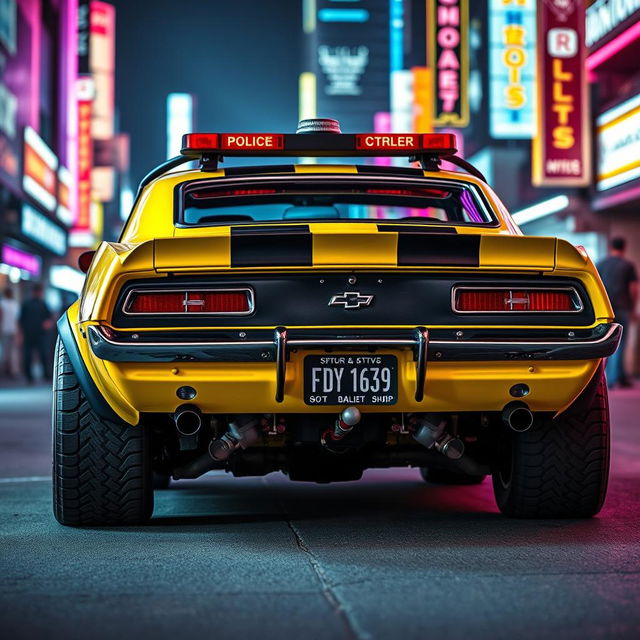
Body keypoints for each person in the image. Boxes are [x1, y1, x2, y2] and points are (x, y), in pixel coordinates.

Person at [597, 237, 638, 388]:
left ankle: (608, 377)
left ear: (610, 247)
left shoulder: (601, 264)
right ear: (624, 247)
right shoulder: (628, 265)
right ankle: (615, 378)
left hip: (606, 310)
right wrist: (633, 309)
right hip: (623, 308)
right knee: (621, 343)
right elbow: (633, 289)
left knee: (605, 343)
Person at [19, 283, 53, 383]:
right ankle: (29, 377)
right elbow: (21, 320)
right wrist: (20, 334)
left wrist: (48, 323)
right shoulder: (27, 304)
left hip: (40, 334)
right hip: (29, 334)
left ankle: (46, 375)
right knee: (28, 356)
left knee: (43, 354)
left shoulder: (43, 304)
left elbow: (50, 318)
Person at [0, 287, 20, 377]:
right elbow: (18, 319)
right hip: (12, 330)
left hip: (5, 330)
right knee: (13, 352)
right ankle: (13, 371)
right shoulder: (15, 304)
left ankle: (5, 371)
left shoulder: (2, 304)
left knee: (5, 351)